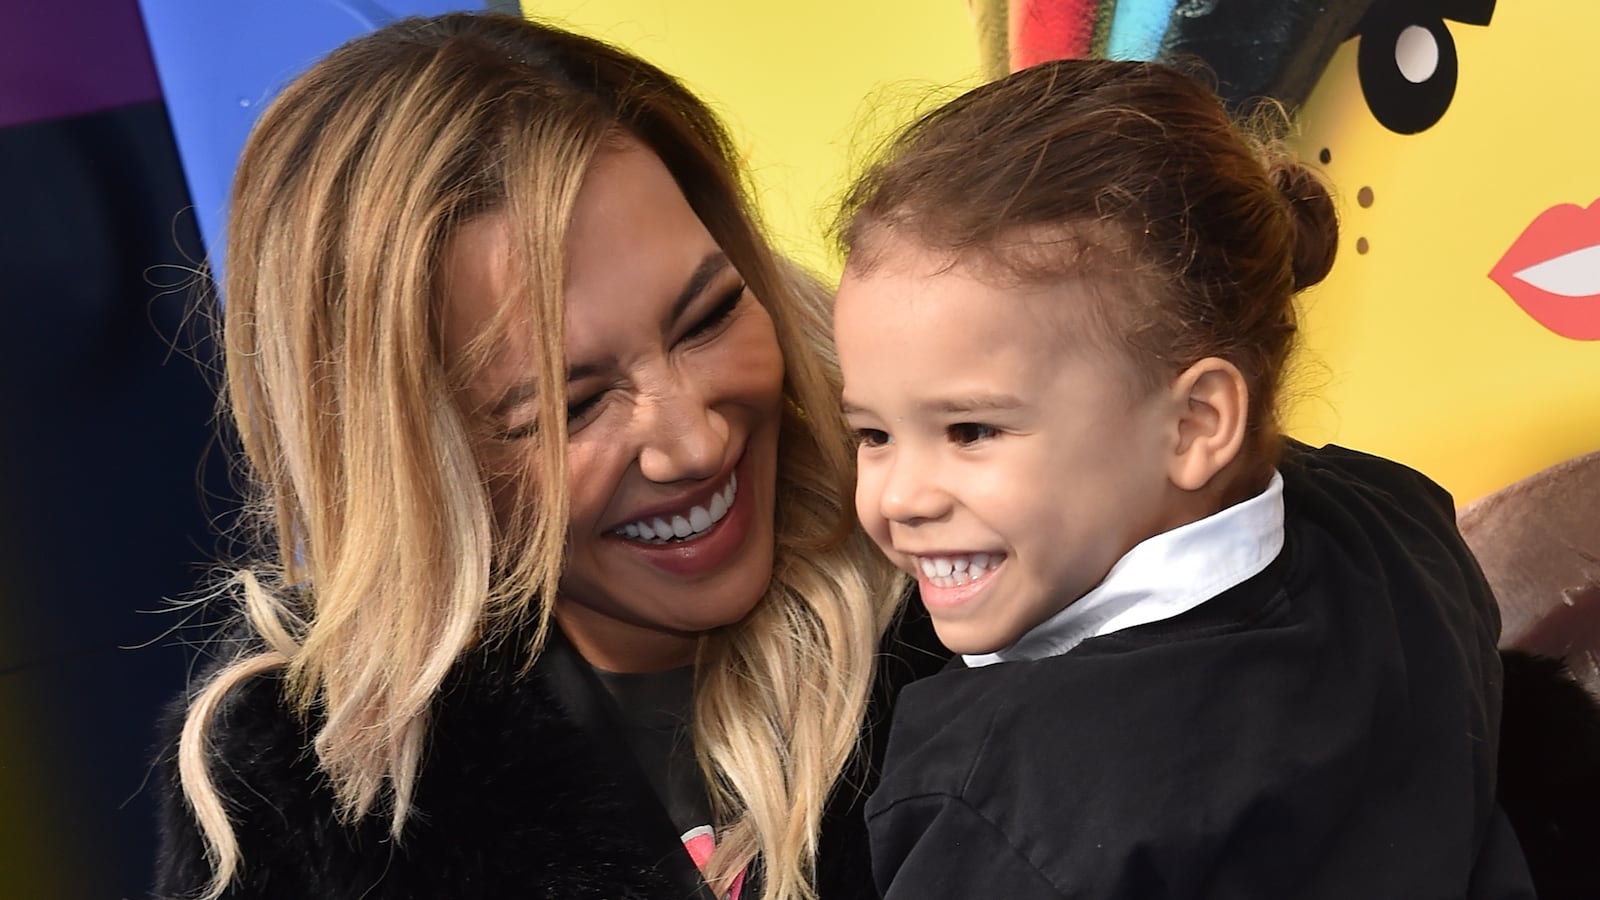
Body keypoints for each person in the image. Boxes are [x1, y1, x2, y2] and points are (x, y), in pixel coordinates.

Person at [151, 12, 941, 900]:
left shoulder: (984, 571)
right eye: (571, 407)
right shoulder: (293, 790)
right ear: (403, 460)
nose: (695, 442)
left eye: (710, 317)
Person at [830, 59, 1536, 898]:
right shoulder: (1400, 517)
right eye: (873, 434)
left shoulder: (999, 800)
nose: (902, 498)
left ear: (1197, 422)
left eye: (971, 430)